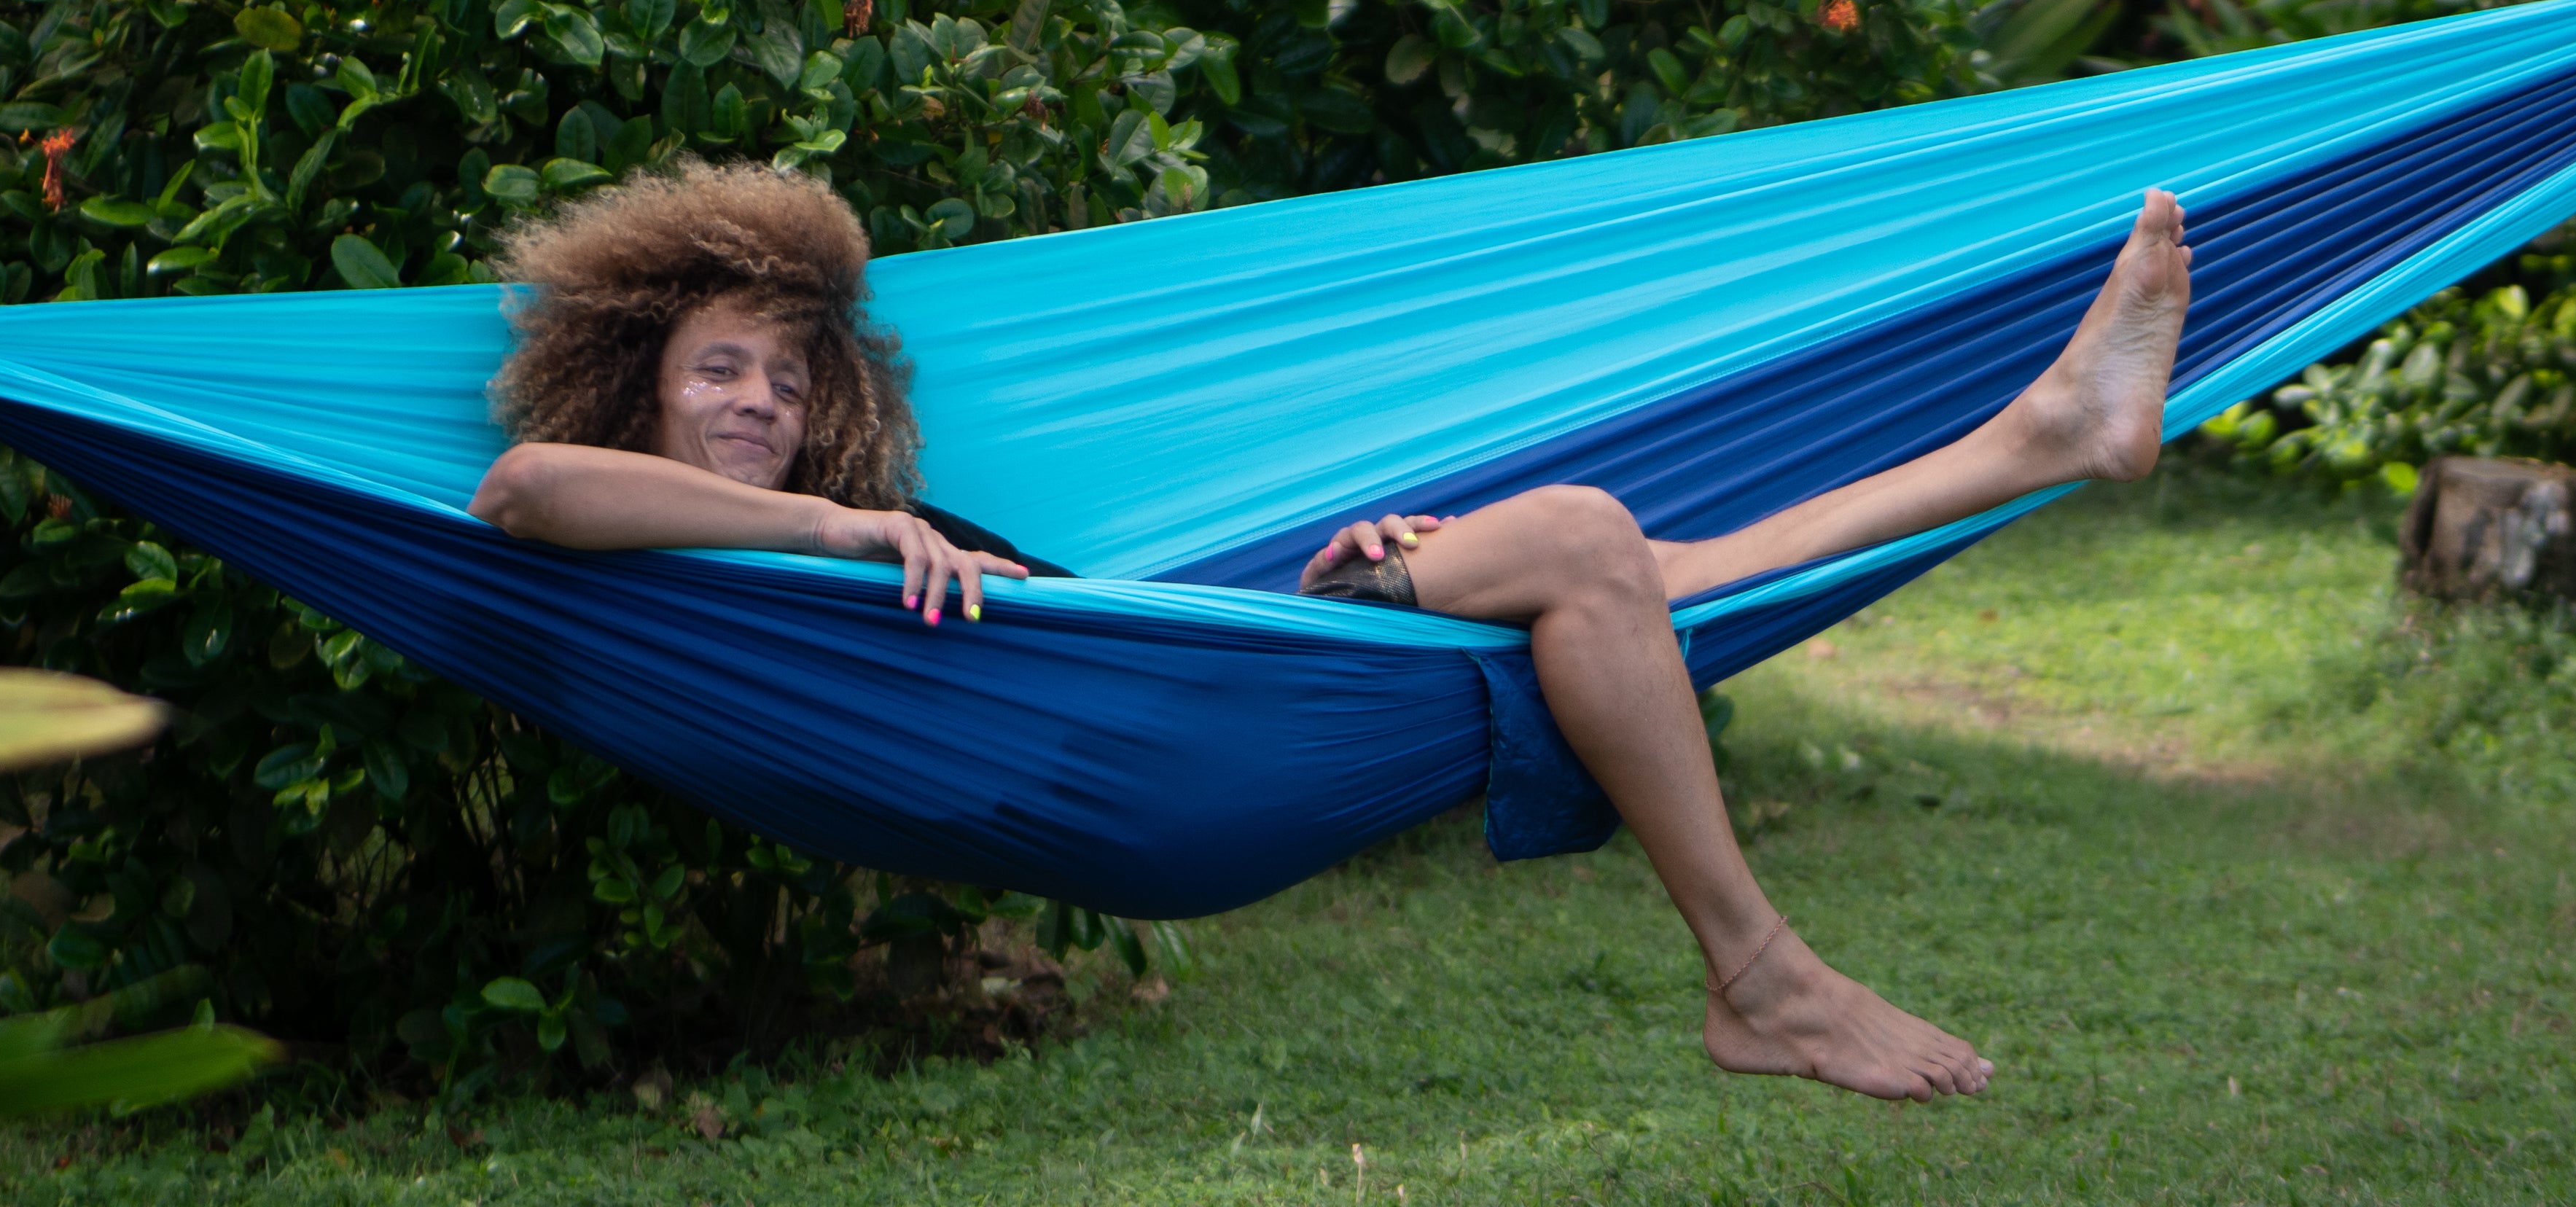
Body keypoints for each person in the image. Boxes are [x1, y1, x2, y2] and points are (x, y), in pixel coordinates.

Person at [471, 159, 2196, 1106]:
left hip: (1197, 678)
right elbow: (527, 494)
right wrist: (838, 525)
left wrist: (1319, 595)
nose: (761, 400)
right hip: (1142, 742)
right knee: (1589, 544)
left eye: (790, 379)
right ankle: (1761, 976)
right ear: (638, 380)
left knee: (1644, 570)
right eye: (720, 369)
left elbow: (1089, 616)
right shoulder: (727, 532)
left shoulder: (886, 518)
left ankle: (2037, 442)